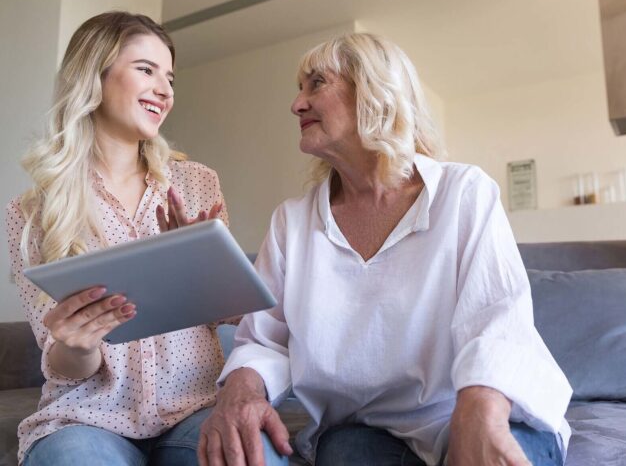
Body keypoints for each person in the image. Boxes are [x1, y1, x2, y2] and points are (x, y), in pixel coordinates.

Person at [197, 33, 573, 466]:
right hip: (367, 427)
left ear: (375, 91)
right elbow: (264, 339)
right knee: (344, 452)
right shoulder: (292, 221)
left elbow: (496, 319)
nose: (297, 104)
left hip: (475, 403)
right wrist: (239, 393)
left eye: (316, 83)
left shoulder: (463, 192)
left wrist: (479, 410)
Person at [4, 11, 286, 466]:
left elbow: (239, 311)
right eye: (146, 70)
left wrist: (209, 269)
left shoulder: (197, 183)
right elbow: (63, 364)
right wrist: (78, 346)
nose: (165, 90)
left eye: (170, 77)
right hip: (86, 418)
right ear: (94, 76)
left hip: (196, 407)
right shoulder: (34, 211)